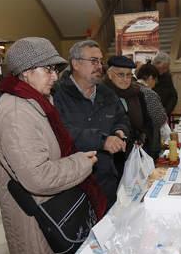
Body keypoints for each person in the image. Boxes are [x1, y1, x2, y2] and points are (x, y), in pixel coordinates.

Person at [0, 37, 106, 254]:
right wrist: (80, 163)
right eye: (48, 70)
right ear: (26, 72)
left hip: (50, 207)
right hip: (38, 215)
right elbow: (37, 177)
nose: (55, 76)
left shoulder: (35, 101)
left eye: (56, 70)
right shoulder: (18, 112)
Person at [54, 40, 129, 208]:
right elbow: (62, 132)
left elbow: (121, 119)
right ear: (76, 64)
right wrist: (103, 141)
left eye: (100, 61)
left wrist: (119, 132)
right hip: (75, 184)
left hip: (107, 178)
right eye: (93, 61)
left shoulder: (106, 93)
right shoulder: (57, 95)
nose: (99, 66)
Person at [105, 56, 158, 161]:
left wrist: (143, 136)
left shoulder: (137, 93)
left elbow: (147, 122)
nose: (125, 79)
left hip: (137, 152)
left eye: (128, 75)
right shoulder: (103, 95)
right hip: (114, 157)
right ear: (110, 75)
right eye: (121, 75)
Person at [135, 63, 168, 159]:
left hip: (135, 138)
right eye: (155, 80)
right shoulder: (149, 93)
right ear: (150, 77)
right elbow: (159, 119)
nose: (155, 84)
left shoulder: (131, 88)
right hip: (148, 139)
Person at [151, 51, 178, 116]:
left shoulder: (167, 76)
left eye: (166, 68)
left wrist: (166, 111)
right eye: (162, 68)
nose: (164, 70)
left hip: (163, 112)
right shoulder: (148, 74)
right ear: (156, 63)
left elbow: (173, 96)